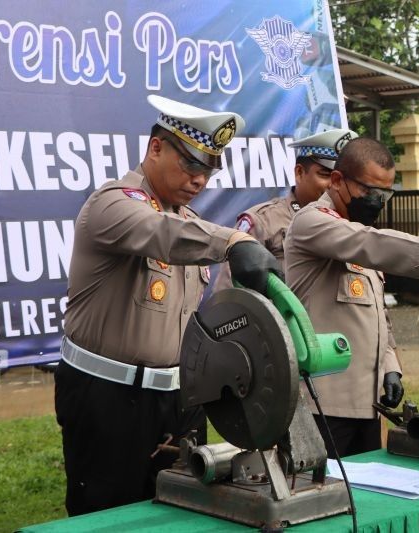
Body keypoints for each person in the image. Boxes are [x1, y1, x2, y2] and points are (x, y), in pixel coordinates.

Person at [55, 95, 282, 516]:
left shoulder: (188, 222)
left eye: (209, 169)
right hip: (108, 399)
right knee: (108, 516)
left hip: (179, 401)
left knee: (178, 512)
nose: (199, 180)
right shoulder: (113, 204)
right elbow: (158, 231)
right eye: (192, 163)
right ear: (156, 147)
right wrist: (235, 241)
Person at [284, 137, 419, 458]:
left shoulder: (357, 230)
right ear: (337, 181)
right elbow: (371, 242)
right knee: (326, 497)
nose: (378, 202)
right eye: (370, 192)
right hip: (323, 404)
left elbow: (378, 315)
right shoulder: (312, 222)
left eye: (385, 194)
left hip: (368, 403)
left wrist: (390, 366)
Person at [213, 128, 357, 289]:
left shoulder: (352, 223)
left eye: (341, 179)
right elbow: (230, 293)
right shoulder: (263, 221)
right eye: (325, 175)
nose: (334, 185)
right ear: (300, 172)